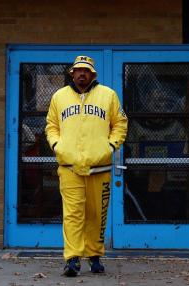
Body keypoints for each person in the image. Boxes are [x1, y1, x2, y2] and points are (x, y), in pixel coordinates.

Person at [45, 55, 128, 277]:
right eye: (78, 70)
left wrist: (110, 146)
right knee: (72, 214)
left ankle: (94, 256)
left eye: (86, 70)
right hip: (69, 166)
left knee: (96, 214)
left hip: (99, 167)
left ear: (93, 74)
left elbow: (120, 123)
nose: (82, 73)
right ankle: (72, 259)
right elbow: (51, 126)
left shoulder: (108, 95)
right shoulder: (59, 97)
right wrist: (56, 145)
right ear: (72, 73)